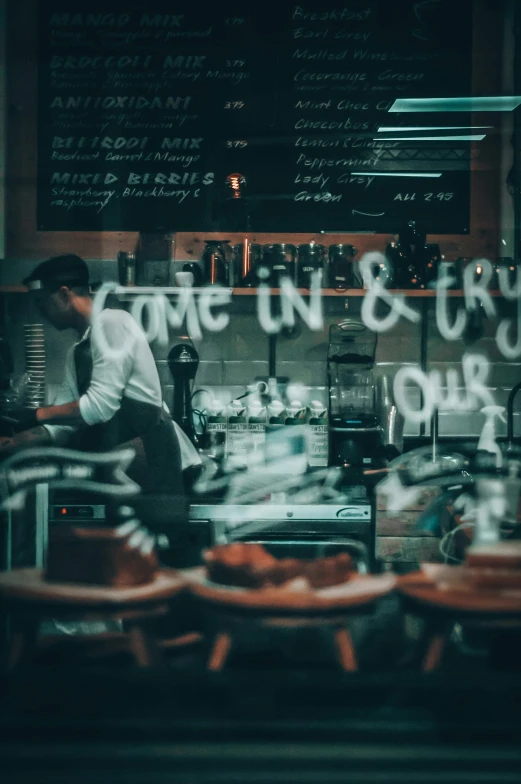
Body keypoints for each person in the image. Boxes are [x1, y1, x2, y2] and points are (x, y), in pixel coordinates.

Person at [0, 254, 200, 499]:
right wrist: (16, 442)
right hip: (120, 469)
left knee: (151, 537)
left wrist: (34, 414)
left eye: (42, 302)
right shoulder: (76, 352)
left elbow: (99, 407)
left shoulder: (113, 322)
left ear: (64, 295)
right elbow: (61, 426)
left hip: (150, 465)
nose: (41, 312)